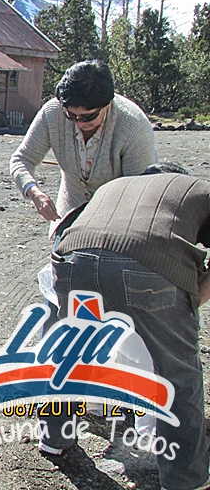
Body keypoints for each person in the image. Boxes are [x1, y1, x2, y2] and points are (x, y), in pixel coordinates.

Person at [38, 164, 210, 490]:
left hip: (72, 260)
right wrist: (191, 303)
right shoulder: (198, 191)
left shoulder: (113, 188)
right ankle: (186, 480)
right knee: (178, 375)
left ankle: (54, 438)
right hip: (145, 263)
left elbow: (64, 231)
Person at [10, 60, 156, 234]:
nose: (79, 123)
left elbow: (140, 191)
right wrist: (34, 193)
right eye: (71, 115)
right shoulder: (53, 113)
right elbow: (21, 160)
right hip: (70, 213)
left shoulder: (133, 125)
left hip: (120, 218)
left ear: (107, 105)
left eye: (88, 117)